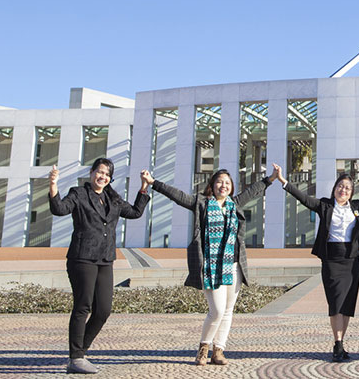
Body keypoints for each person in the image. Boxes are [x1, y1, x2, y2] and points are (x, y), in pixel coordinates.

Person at [141, 164, 280, 366]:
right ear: (212, 186)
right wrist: (154, 183)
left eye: (227, 183)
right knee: (216, 310)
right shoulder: (202, 204)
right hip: (211, 266)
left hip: (233, 266)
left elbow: (253, 190)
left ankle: (219, 350)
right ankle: (203, 347)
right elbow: (178, 196)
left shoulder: (235, 203)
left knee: (228, 310)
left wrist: (272, 178)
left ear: (231, 186)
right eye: (219, 182)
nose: (223, 186)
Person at [276, 169, 359, 362]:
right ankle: (337, 343)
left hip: (352, 260)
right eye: (340, 186)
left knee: (347, 304)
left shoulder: (357, 207)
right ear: (335, 188)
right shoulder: (325, 205)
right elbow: (303, 198)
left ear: (351, 192)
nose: (343, 190)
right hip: (331, 260)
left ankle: (341, 343)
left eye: (347, 188)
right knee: (336, 303)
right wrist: (283, 181)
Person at [48, 159, 150, 374]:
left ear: (110, 178)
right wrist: (53, 185)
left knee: (103, 310)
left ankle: (79, 352)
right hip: (82, 257)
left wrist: (143, 187)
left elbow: (134, 213)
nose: (102, 177)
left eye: (106, 174)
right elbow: (59, 209)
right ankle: (76, 357)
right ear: (91, 172)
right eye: (99, 172)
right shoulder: (79, 194)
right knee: (83, 306)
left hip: (105, 259)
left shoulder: (112, 198)